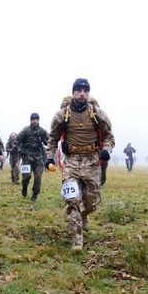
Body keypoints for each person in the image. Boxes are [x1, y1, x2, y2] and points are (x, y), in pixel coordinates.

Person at [45, 78, 114, 250]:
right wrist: (49, 158)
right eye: (79, 90)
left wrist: (106, 150)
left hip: (91, 161)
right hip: (72, 162)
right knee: (72, 200)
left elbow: (109, 136)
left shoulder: (98, 113)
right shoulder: (62, 115)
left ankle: (84, 214)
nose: (82, 93)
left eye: (85, 90)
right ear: (73, 92)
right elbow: (52, 138)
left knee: (92, 202)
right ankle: (77, 239)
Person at [17, 112, 48, 201]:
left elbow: (48, 140)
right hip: (26, 158)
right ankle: (24, 187)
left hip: (38, 158)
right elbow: (17, 142)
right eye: (33, 119)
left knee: (38, 177)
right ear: (30, 120)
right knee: (26, 176)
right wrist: (20, 151)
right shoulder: (25, 130)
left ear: (38, 120)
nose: (35, 121)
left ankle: (35, 194)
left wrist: (45, 140)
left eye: (36, 119)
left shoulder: (42, 131)